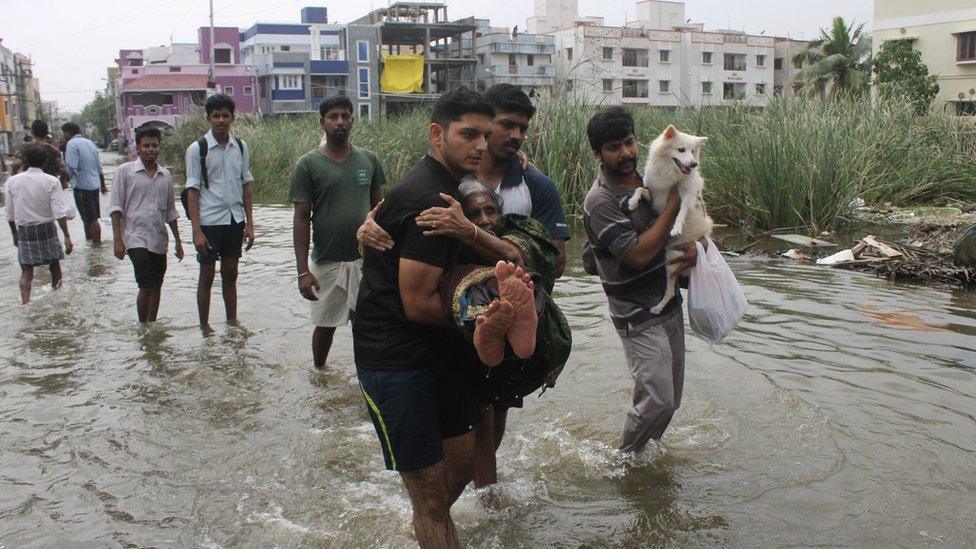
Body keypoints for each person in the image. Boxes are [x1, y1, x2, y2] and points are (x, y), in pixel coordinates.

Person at [354, 87, 534, 547]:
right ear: (437, 134)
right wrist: (487, 322)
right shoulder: (426, 201)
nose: (480, 144)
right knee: (433, 500)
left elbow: (520, 255)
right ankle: (429, 522)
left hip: (442, 350)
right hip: (395, 357)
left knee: (459, 467)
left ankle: (424, 521)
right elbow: (415, 304)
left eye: (484, 135)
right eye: (468, 134)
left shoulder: (460, 191)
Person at [417, 179, 572, 490]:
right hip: (468, 350)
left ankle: (484, 490)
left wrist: (470, 231)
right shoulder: (443, 245)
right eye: (475, 214)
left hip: (519, 355)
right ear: (460, 214)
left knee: (511, 282)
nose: (485, 220)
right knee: (481, 423)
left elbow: (526, 255)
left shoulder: (519, 231)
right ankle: (487, 493)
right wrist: (364, 235)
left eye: (491, 211)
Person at [581, 107, 701, 453]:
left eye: (629, 142)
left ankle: (645, 460)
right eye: (614, 147)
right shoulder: (600, 200)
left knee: (671, 400)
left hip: (668, 306)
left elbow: (689, 225)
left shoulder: (650, 179)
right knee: (658, 399)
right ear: (598, 154)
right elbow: (637, 255)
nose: (626, 153)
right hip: (636, 315)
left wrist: (697, 253)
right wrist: (671, 208)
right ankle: (624, 462)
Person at [358, 84, 571, 277]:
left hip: (520, 306)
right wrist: (367, 233)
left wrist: (471, 234)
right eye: (507, 125)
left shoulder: (537, 185)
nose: (516, 135)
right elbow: (394, 228)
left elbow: (557, 264)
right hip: (454, 306)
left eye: (523, 129)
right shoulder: (446, 177)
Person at [291, 96, 385, 368]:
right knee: (324, 327)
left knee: (365, 326)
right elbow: (300, 218)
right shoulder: (307, 165)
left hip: (363, 261)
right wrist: (302, 271)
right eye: (333, 117)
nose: (340, 122)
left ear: (353, 120)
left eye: (345, 116)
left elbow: (378, 211)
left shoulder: (369, 160)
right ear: (322, 122)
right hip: (327, 261)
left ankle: (366, 380)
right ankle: (319, 374)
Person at [184, 94, 256, 330]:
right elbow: (192, 191)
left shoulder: (241, 147)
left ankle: (232, 324)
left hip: (234, 220)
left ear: (233, 118)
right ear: (208, 118)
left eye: (225, 115)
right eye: (216, 116)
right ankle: (204, 328)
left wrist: (250, 225)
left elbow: (246, 186)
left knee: (231, 274)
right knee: (206, 275)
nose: (221, 120)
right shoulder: (197, 149)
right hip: (209, 222)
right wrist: (196, 232)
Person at [108, 127, 185, 323]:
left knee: (157, 284)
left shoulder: (165, 175)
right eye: (146, 146)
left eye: (154, 146)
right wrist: (118, 240)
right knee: (146, 282)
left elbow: (170, 211)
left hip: (159, 238)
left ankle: (152, 325)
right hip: (135, 237)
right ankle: (143, 327)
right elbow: (116, 208)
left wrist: (178, 241)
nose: (151, 149)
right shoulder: (125, 172)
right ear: (138, 148)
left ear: (159, 148)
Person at [5, 145, 73, 304]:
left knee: (26, 271)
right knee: (55, 266)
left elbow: (9, 212)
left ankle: (25, 305)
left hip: (25, 230)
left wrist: (15, 234)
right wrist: (67, 236)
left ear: (26, 162)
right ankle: (58, 298)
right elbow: (59, 212)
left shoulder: (12, 182)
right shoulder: (52, 181)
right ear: (45, 162)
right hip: (47, 228)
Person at [63, 122, 106, 243]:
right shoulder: (90, 143)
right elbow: (99, 166)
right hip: (95, 185)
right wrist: (103, 185)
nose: (63, 136)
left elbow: (71, 166)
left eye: (64, 133)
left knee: (89, 218)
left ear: (68, 133)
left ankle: (96, 245)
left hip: (81, 186)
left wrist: (66, 179)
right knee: (91, 217)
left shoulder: (71, 144)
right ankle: (91, 242)